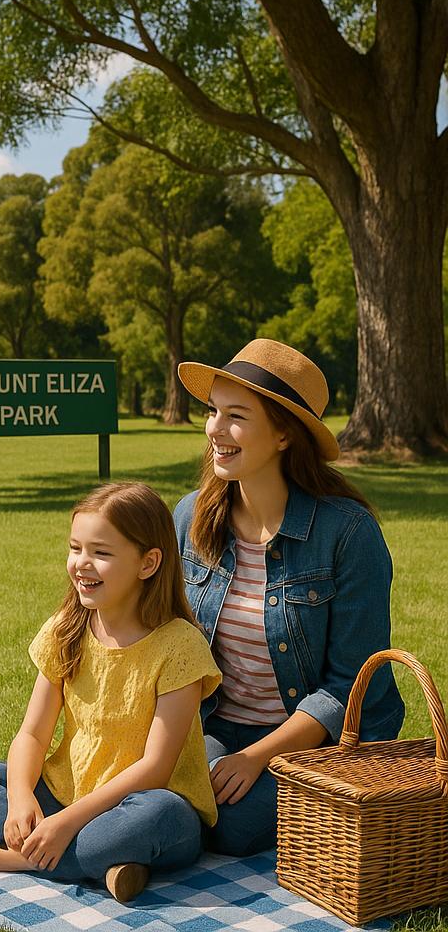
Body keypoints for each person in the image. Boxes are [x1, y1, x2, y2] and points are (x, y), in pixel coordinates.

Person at [173, 338, 404, 856]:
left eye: (236, 416)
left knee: (229, 825)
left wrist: (255, 758)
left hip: (321, 739)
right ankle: (138, 842)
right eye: (213, 411)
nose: (215, 429)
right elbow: (163, 640)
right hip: (220, 723)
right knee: (169, 791)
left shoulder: (347, 533)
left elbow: (351, 686)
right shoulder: (190, 517)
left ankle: (146, 842)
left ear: (282, 435)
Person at [0, 482, 221, 903]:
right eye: (76, 548)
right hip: (69, 796)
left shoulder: (180, 645)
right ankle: (104, 864)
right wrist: (19, 799)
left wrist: (66, 823)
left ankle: (23, 857)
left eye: (101, 553)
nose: (82, 565)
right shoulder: (67, 629)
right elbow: (32, 735)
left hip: (150, 808)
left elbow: (156, 768)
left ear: (148, 563)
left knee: (153, 817)